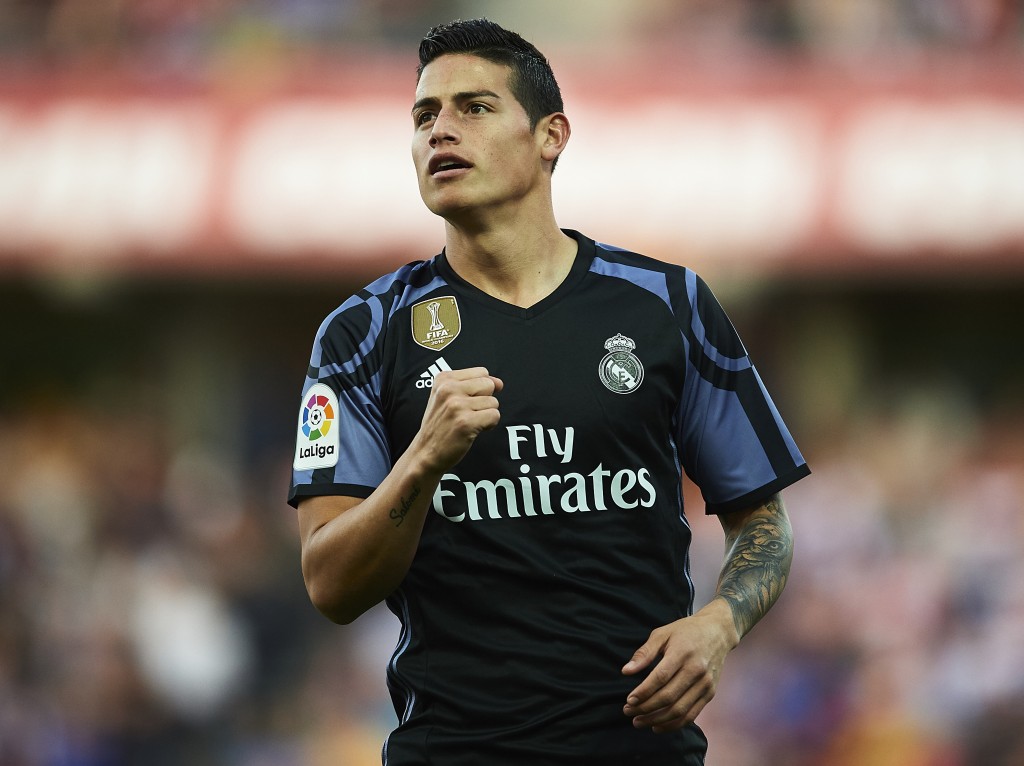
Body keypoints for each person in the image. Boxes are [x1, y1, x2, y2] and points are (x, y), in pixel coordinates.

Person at [288, 18, 810, 765]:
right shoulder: (366, 331)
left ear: (551, 136)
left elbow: (765, 524)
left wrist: (719, 625)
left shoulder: (667, 306)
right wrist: (424, 459)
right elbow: (330, 584)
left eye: (474, 108)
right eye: (424, 115)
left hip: (641, 752)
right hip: (456, 750)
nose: (441, 131)